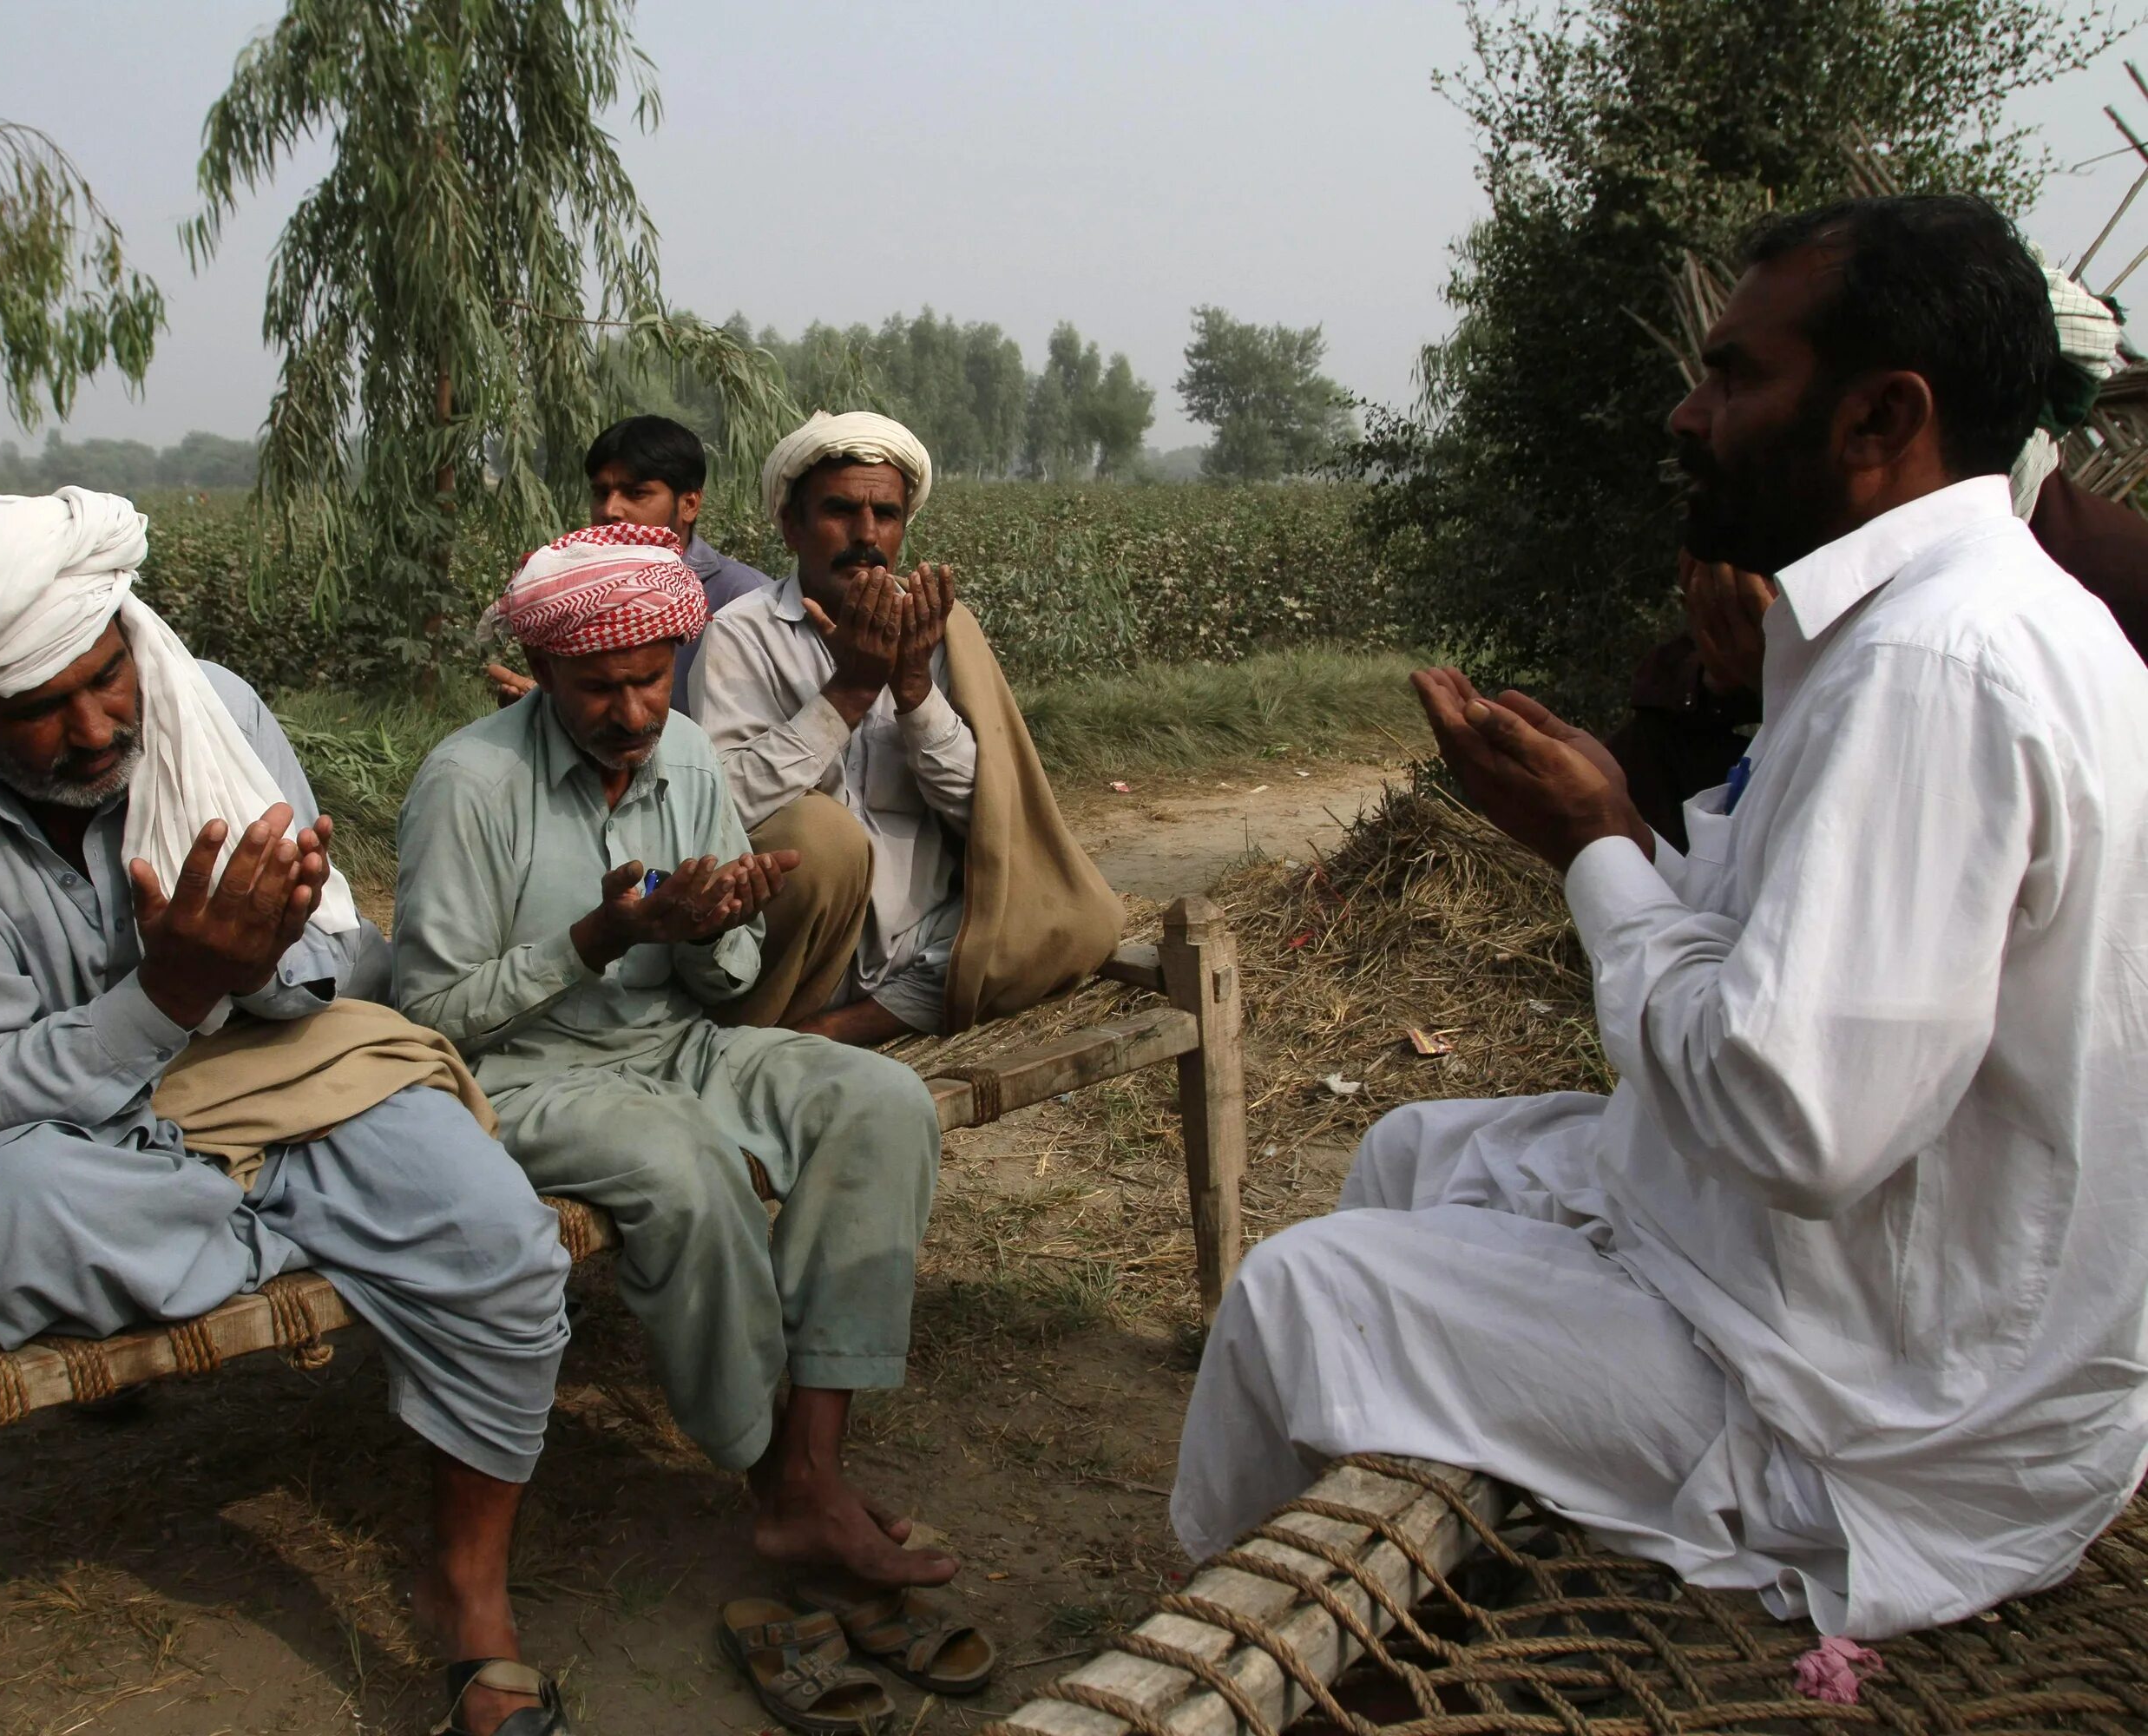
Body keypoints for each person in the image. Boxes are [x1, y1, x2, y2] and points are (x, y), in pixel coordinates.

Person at [1173, 195, 2148, 1641]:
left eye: (1738, 376)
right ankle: (1427, 1603)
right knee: (1410, 1148)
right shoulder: (1923, 623)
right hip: (1866, 1287)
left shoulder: (1934, 668)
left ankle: (1237, 1661)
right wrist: (1607, 828)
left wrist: (1596, 846)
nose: (1690, 416)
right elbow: (1797, 956)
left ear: (1883, 418)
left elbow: (1792, 1116)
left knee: (1299, 1295)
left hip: (1885, 1415)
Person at [0, 489, 576, 1736]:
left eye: (107, 677)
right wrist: (167, 990)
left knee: (502, 1242)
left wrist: (256, 959)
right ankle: (302, 1227)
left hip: (278, 1060)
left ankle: (467, 1590)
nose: (100, 723)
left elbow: (325, 973)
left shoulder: (208, 708)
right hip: (68, 1126)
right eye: (43, 707)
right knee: (3, 1221)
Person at [394, 522, 969, 1603]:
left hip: (673, 1043)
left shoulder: (690, 752)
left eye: (652, 681)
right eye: (601, 688)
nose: (635, 713)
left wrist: (714, 928)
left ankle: (811, 1464)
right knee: (680, 1163)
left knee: (883, 1100)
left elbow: (719, 982)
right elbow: (430, 1017)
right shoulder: (468, 781)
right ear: (547, 671)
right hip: (521, 1075)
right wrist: (599, 939)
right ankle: (778, 1483)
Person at [1610, 266, 2148, 844]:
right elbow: (1681, 691)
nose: (1689, 416)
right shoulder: (1832, 527)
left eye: (1741, 380)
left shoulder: (2105, 577)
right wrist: (1728, 678)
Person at [685, 411, 1120, 1043]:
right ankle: (790, 1019)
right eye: (839, 511)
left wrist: (915, 689)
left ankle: (841, 1030)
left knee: (1084, 920)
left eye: (885, 516)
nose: (865, 535)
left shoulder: (941, 634)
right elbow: (722, 808)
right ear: (790, 526)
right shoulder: (743, 635)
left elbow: (994, 819)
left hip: (921, 939)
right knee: (821, 832)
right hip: (797, 944)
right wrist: (849, 694)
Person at [482, 414, 775, 713]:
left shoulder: (744, 598)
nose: (610, 510)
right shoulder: (574, 592)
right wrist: (545, 710)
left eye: (636, 493)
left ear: (689, 505)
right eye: (600, 493)